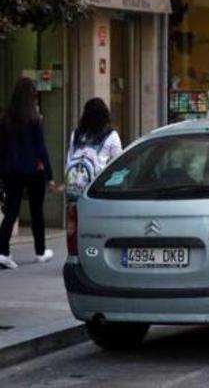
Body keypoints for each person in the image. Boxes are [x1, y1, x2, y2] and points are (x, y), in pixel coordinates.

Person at [0, 78, 54, 269]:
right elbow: (41, 149)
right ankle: (40, 251)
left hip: (10, 171)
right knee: (36, 212)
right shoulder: (34, 119)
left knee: (11, 211)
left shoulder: (6, 119)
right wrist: (50, 175)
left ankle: (3, 251)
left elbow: (2, 148)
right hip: (33, 171)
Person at [65, 98, 123, 202]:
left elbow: (70, 159)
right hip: (97, 189)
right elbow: (118, 164)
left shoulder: (76, 134)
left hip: (75, 187)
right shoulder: (111, 136)